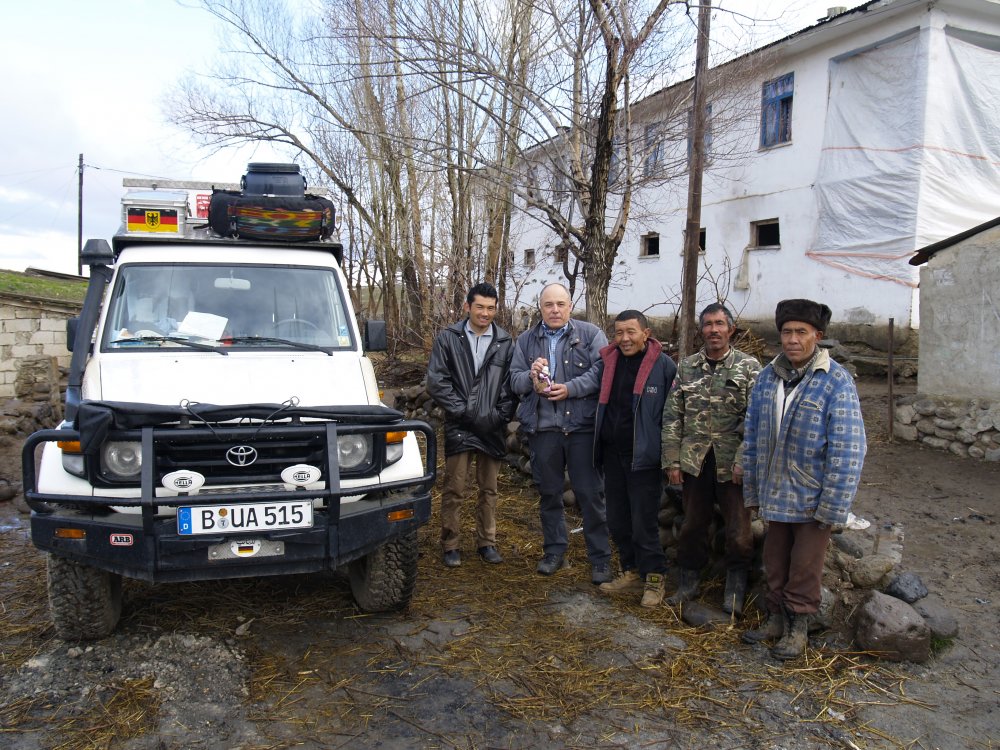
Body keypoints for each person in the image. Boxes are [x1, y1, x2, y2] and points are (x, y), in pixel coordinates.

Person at [740, 299, 867, 660]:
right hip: (774, 492)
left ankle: (799, 628)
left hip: (812, 496)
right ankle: (776, 619)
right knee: (775, 561)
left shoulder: (835, 380)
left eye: (801, 332)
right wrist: (753, 489)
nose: (792, 339)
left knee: (805, 567)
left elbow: (849, 447)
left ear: (818, 336)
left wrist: (834, 504)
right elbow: (753, 436)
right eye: (786, 332)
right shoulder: (768, 377)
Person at [662, 303, 762, 615]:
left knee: (738, 531)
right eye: (708, 324)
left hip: (732, 465)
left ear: (731, 329)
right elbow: (672, 415)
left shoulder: (749, 368)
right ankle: (689, 581)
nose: (713, 330)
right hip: (696, 461)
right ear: (701, 330)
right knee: (692, 525)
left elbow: (757, 420)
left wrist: (744, 460)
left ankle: (734, 587)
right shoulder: (687, 367)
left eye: (720, 324)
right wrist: (672, 461)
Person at [510, 283, 613, 584]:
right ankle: (554, 551)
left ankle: (600, 558)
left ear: (570, 305)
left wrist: (570, 389)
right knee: (549, 493)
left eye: (560, 304)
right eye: (548, 304)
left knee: (590, 495)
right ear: (540, 308)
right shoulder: (527, 340)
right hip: (543, 430)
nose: (555, 310)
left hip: (581, 428)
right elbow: (513, 380)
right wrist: (531, 377)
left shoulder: (591, 334)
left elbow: (601, 372)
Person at [426, 282, 515, 567]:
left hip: (491, 425)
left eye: (491, 308)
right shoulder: (449, 338)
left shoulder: (505, 341)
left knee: (489, 489)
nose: (485, 313)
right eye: (480, 307)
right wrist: (464, 411)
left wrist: (499, 415)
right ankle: (451, 543)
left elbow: (509, 385)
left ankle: (487, 542)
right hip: (460, 423)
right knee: (455, 488)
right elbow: (437, 382)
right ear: (467, 306)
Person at [594, 310, 676, 607]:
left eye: (631, 332)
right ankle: (631, 573)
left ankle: (655, 578)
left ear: (646, 333)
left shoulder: (663, 367)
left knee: (644, 522)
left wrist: (670, 457)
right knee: (617, 519)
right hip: (612, 454)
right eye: (619, 333)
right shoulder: (608, 362)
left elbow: (672, 415)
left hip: (643, 457)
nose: (625, 338)